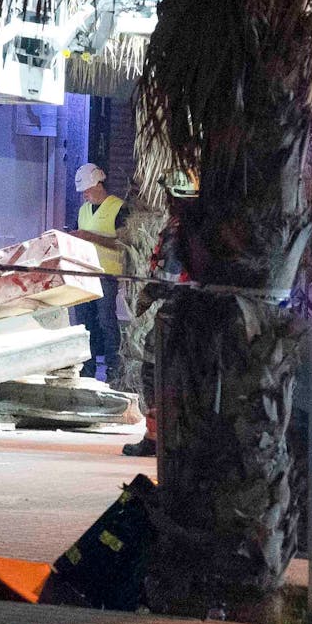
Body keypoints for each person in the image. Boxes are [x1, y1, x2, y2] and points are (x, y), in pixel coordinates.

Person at [123, 169, 197, 458]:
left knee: (154, 370)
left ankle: (156, 438)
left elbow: (166, 276)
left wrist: (147, 294)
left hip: (177, 310)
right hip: (202, 310)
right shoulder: (204, 225)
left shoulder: (178, 228)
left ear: (174, 196)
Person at [71, 163, 127, 380]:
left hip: (106, 274)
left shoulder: (118, 208)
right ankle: (87, 369)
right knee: (85, 323)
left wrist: (92, 237)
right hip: (84, 274)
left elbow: (124, 243)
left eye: (87, 190)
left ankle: (114, 370)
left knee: (106, 321)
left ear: (98, 183)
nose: (84, 195)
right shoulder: (83, 210)